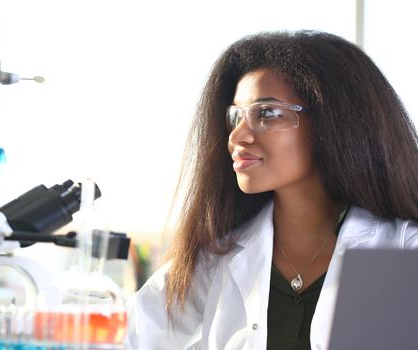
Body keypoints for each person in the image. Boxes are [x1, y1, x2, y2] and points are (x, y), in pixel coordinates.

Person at [125, 30, 418, 350]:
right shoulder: (215, 261)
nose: (238, 137)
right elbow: (125, 337)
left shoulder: (403, 253)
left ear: (332, 123)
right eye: (236, 116)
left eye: (266, 113)